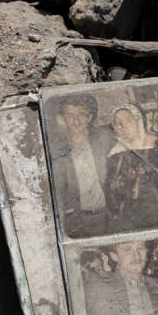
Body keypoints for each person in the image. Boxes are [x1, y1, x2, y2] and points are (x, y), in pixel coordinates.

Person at [48, 95, 112, 236]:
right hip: (75, 221)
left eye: (81, 115)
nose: (76, 121)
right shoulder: (56, 148)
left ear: (89, 118)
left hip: (105, 217)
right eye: (70, 115)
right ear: (63, 118)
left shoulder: (103, 140)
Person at [105, 104, 158, 231]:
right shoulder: (115, 154)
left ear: (139, 121)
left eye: (127, 120)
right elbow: (112, 195)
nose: (122, 127)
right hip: (133, 220)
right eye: (117, 123)